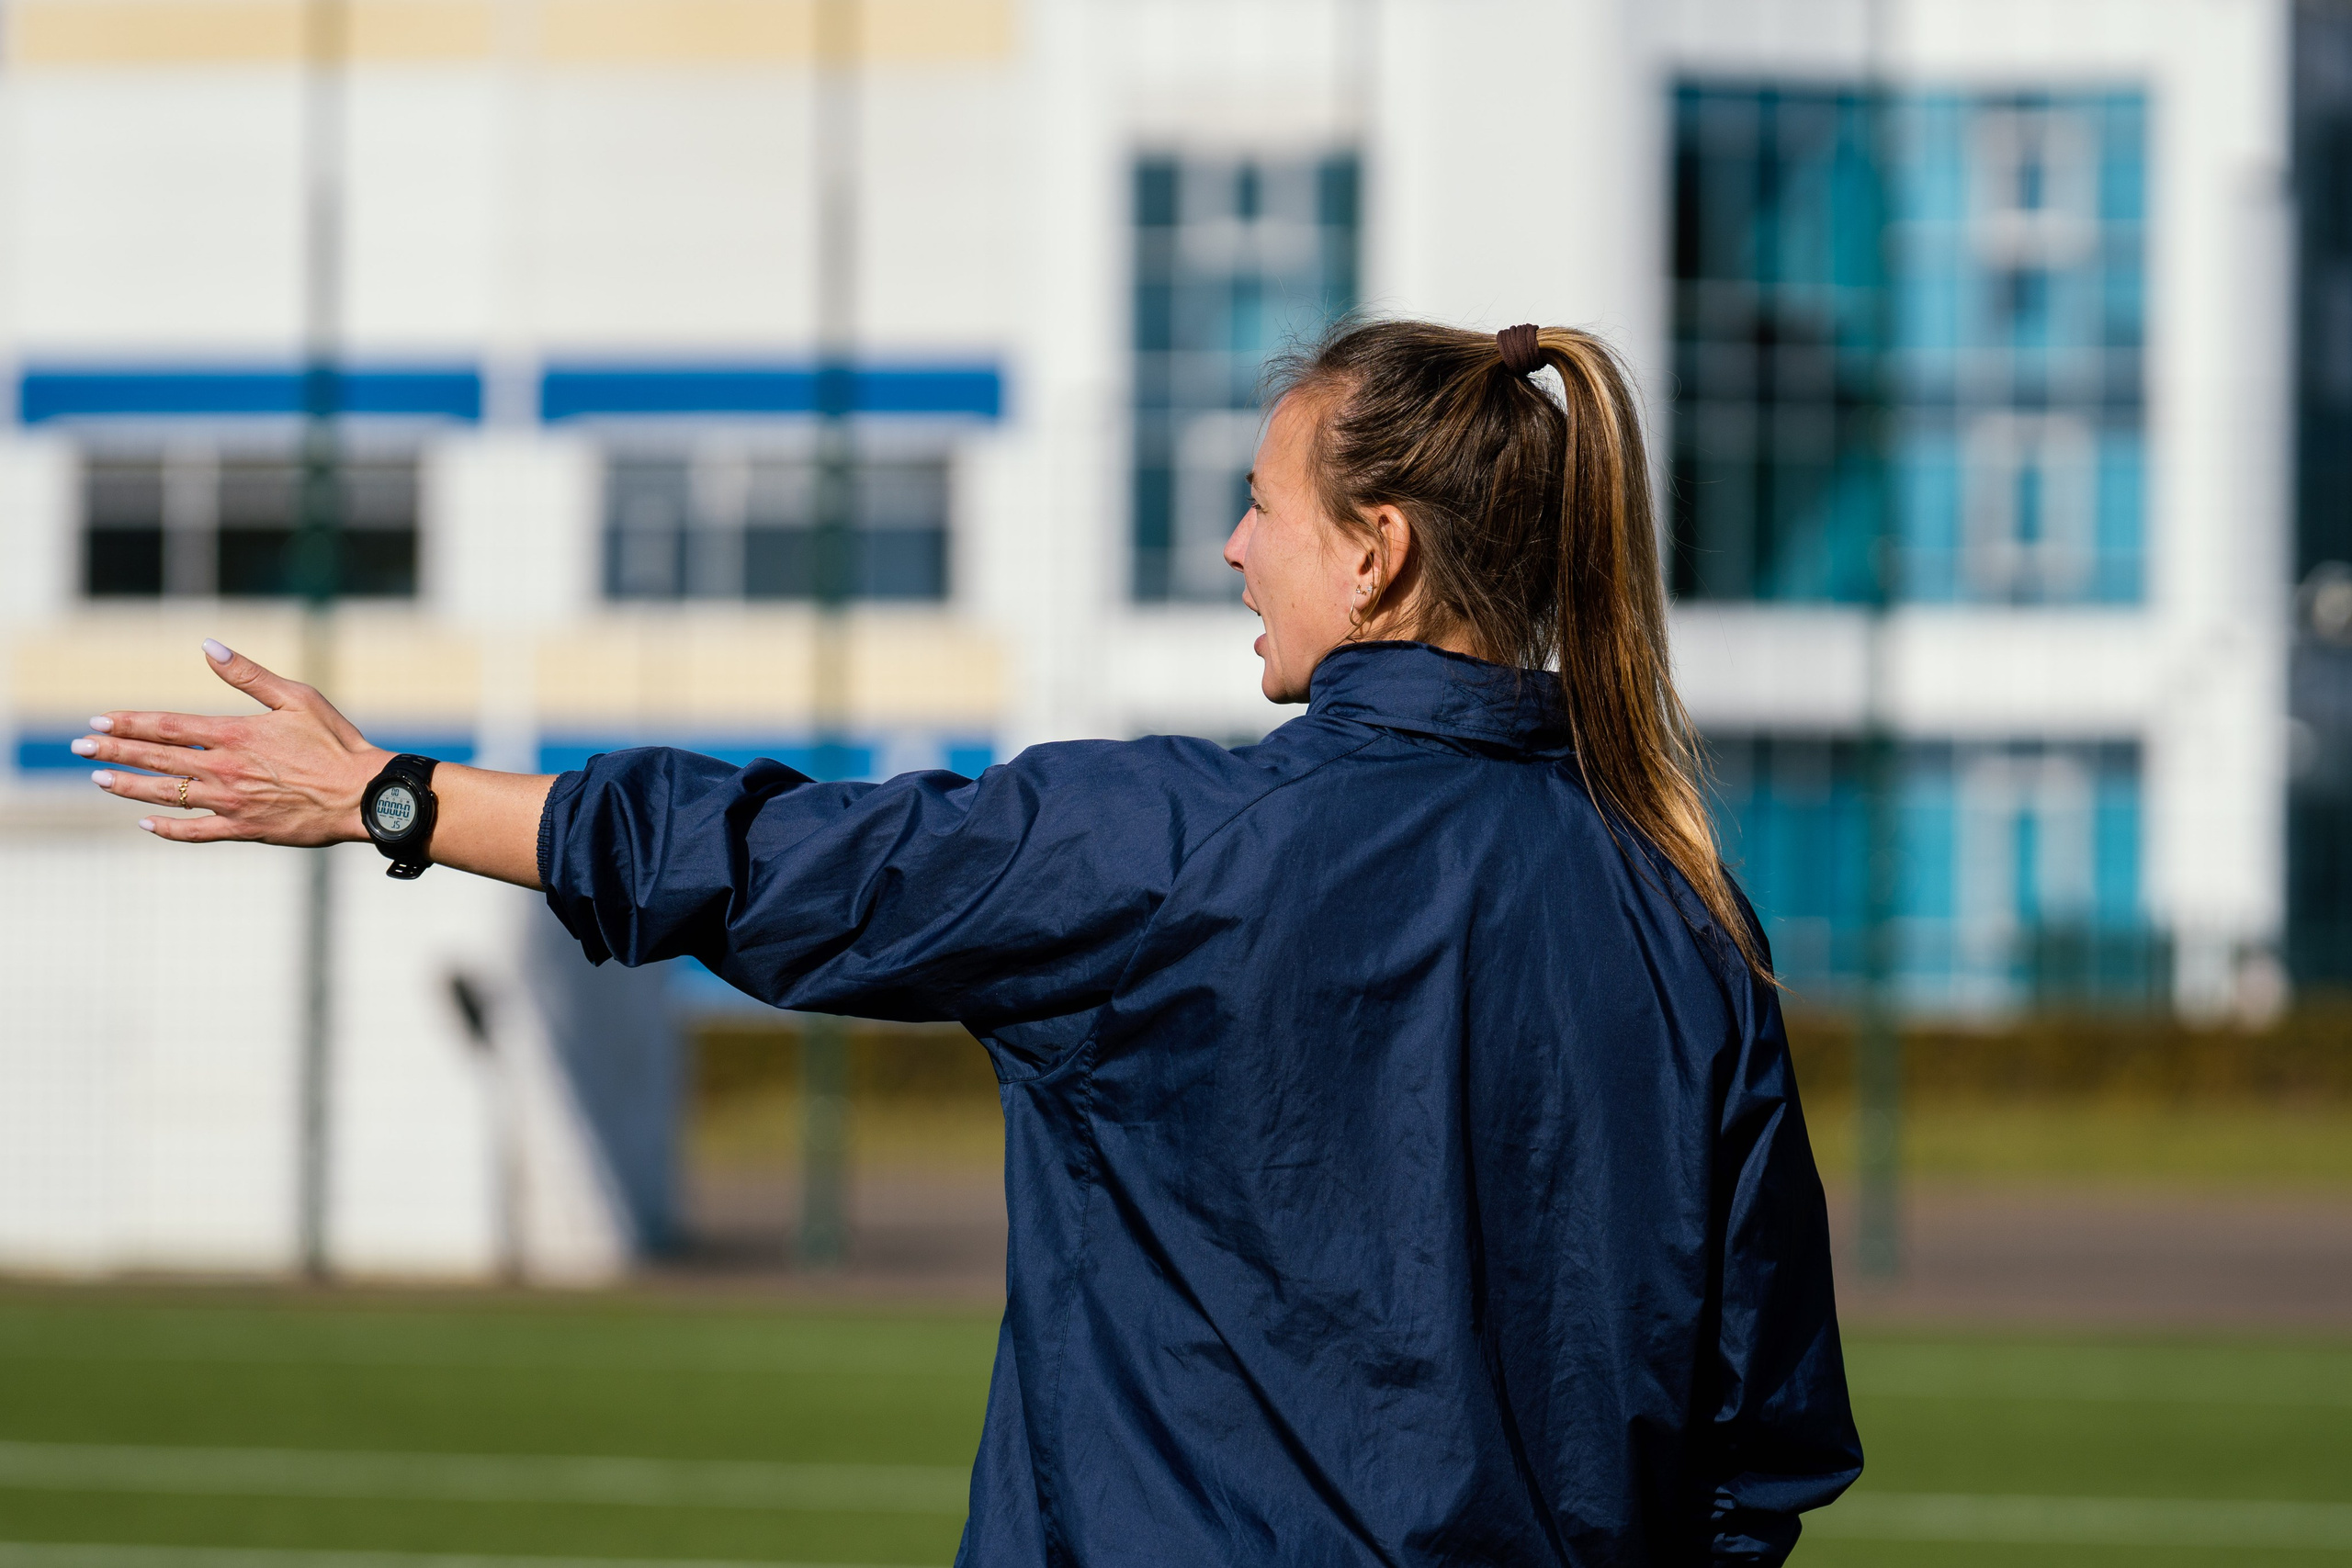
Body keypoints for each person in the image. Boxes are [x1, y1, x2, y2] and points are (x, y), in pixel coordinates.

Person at [77, 320, 1862, 1564]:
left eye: (1264, 500)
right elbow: (1758, 1441)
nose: (1235, 543)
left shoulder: (1177, 844)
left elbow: (777, 861)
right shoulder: (1683, 913)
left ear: (1377, 551)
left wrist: (393, 791)